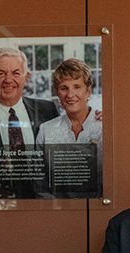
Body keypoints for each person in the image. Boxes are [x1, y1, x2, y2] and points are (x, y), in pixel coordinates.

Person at [0, 47, 58, 199]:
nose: (8, 80)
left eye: (16, 72)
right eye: (1, 73)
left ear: (27, 77)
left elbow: (65, 150)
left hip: (43, 202)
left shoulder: (47, 110)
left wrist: (96, 119)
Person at [35, 58, 103, 198]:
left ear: (88, 91)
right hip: (57, 212)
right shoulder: (46, 130)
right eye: (64, 88)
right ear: (58, 93)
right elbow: (39, 183)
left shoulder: (105, 127)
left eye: (77, 87)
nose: (70, 95)